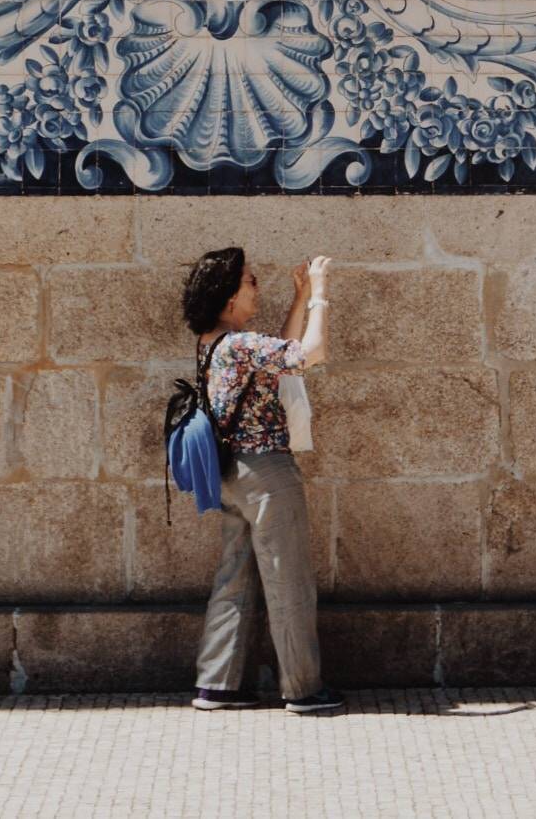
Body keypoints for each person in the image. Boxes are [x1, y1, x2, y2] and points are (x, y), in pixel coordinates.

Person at [184, 245, 343, 718]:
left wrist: (299, 299)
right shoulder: (239, 344)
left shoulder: (216, 343)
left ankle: (218, 684)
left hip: (231, 474)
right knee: (288, 579)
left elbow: (278, 358)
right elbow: (309, 355)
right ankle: (303, 689)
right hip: (268, 473)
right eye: (251, 282)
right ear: (229, 296)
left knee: (235, 578)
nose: (257, 288)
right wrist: (321, 295)